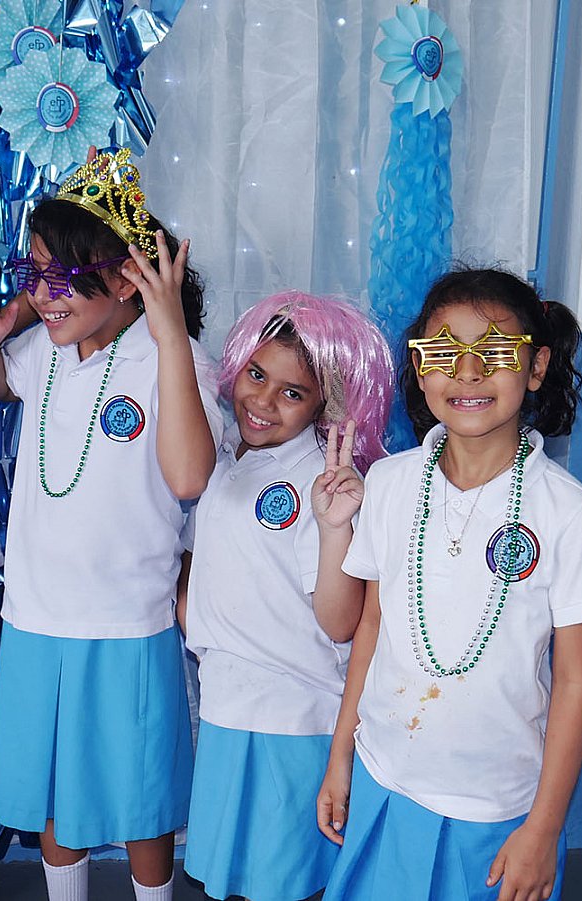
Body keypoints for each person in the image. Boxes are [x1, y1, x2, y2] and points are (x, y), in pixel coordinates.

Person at [0, 148, 221, 901]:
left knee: (140, 801)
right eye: (36, 274)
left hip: (125, 623)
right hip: (36, 618)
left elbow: (191, 478)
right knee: (53, 796)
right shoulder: (47, 347)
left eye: (64, 276)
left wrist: (170, 337)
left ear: (130, 279)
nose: (45, 294)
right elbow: (7, 384)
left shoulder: (176, 362)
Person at [319, 268, 582, 901]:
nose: (467, 372)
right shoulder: (390, 483)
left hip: (496, 806)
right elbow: (372, 627)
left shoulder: (567, 511)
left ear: (536, 366)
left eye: (495, 351)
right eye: (443, 352)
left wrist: (544, 828)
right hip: (386, 777)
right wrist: (341, 754)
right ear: (420, 368)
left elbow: (576, 682)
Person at [179, 291, 393, 901]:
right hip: (228, 708)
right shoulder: (225, 455)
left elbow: (341, 621)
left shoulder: (322, 481)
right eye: (256, 374)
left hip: (293, 721)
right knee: (236, 881)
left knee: (285, 884)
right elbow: (203, 555)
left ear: (328, 403)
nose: (264, 401)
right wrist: (193, 611)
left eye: (292, 392)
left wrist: (333, 528)